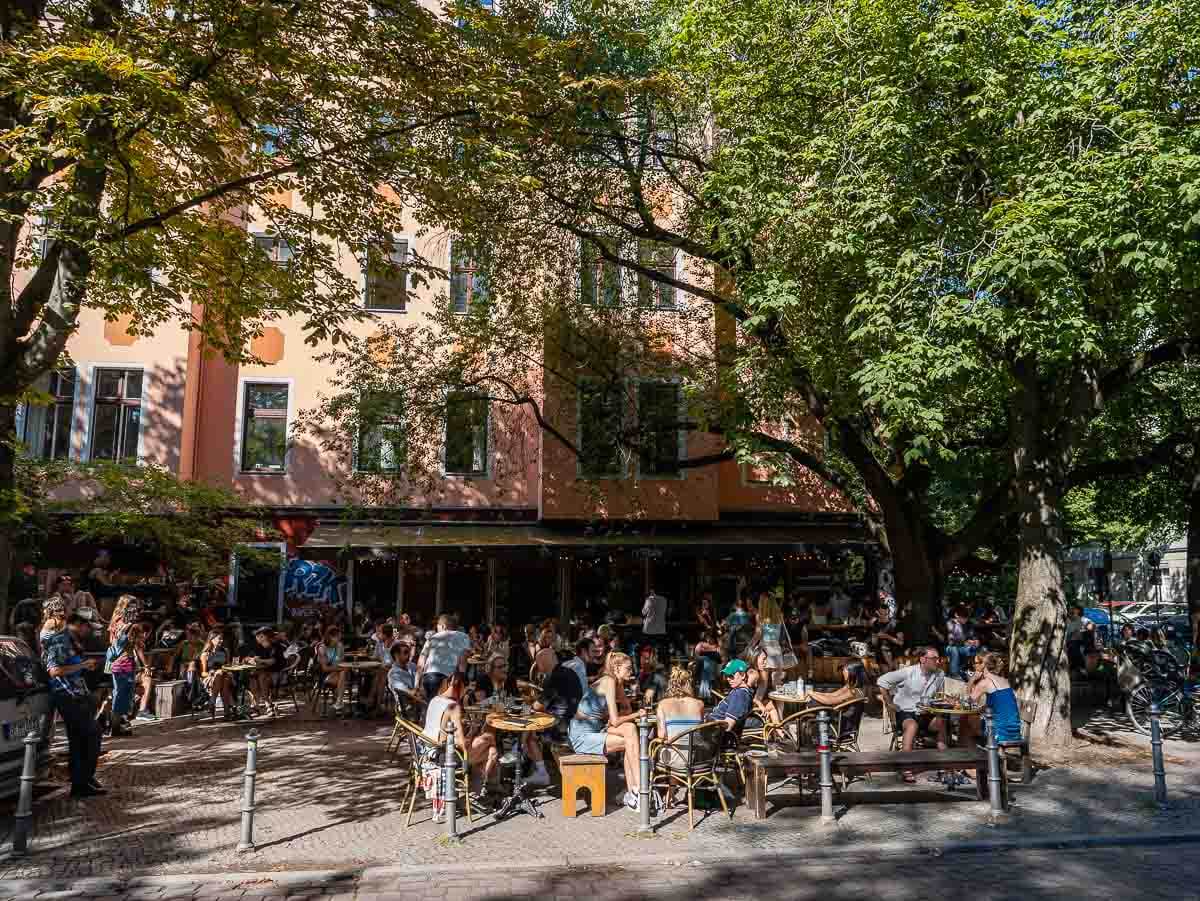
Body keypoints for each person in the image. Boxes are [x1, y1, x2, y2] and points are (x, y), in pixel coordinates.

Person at [40, 598, 104, 798]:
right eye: (88, 627)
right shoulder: (60, 640)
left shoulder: (73, 641)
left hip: (77, 695)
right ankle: (83, 779)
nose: (90, 632)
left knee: (79, 740)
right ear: (80, 624)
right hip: (67, 697)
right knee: (92, 734)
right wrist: (83, 666)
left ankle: (81, 782)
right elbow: (54, 671)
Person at [569, 651, 648, 812]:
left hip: (595, 729)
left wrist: (627, 705)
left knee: (631, 731)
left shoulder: (616, 683)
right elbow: (615, 720)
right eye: (628, 668)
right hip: (581, 735)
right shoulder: (609, 682)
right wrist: (637, 714)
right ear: (616, 668)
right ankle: (639, 790)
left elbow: (625, 709)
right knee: (630, 737)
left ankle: (635, 792)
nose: (631, 671)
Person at [420, 672, 500, 820]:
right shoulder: (453, 706)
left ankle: (476, 791)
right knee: (490, 742)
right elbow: (462, 744)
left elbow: (446, 734)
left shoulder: (434, 701)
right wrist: (473, 733)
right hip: (447, 758)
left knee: (490, 750)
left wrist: (470, 733)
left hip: (429, 753)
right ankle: (480, 790)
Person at [876, 647, 947, 781]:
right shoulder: (908, 672)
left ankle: (945, 764)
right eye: (934, 659)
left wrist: (936, 705)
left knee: (940, 722)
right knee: (912, 726)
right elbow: (882, 681)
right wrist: (890, 703)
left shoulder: (940, 674)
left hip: (925, 712)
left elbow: (940, 696)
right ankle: (906, 766)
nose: (938, 661)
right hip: (905, 712)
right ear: (923, 659)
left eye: (939, 658)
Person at [106, 595, 141, 736]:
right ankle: (117, 726)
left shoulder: (114, 621)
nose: (137, 610)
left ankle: (119, 724)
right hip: (125, 662)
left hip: (114, 661)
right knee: (123, 694)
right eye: (134, 606)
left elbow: (111, 642)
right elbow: (135, 645)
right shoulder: (129, 625)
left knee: (118, 693)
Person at [416, 614, 472, 700]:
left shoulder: (432, 638)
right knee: (443, 709)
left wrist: (416, 684)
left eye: (437, 626)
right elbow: (463, 661)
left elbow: (421, 661)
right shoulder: (463, 636)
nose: (436, 629)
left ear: (443, 626)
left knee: (431, 707)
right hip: (446, 679)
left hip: (427, 677)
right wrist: (461, 680)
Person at [704, 659, 756, 736]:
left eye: (731, 675)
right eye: (727, 675)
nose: (728, 679)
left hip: (713, 736)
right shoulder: (741, 692)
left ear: (743, 675)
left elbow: (728, 725)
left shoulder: (740, 695)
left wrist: (706, 722)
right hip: (711, 727)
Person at [655, 666, 704, 741]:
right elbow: (700, 731)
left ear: (671, 684)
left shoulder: (662, 704)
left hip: (674, 750)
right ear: (689, 684)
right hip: (696, 751)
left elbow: (662, 735)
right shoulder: (699, 704)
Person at [199, 628, 236, 719]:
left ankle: (212, 702)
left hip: (225, 675)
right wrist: (211, 673)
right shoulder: (205, 654)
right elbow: (203, 673)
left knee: (224, 677)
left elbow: (228, 666)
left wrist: (228, 670)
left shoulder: (225, 651)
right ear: (212, 639)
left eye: (222, 638)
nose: (221, 641)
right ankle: (227, 711)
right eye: (219, 639)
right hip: (210, 678)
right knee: (221, 677)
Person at [315, 624, 349, 711]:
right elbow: (325, 668)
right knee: (343, 674)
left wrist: (340, 667)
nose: (339, 639)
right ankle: (339, 701)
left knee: (343, 674)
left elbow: (341, 662)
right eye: (337, 637)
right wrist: (339, 668)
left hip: (338, 672)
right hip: (326, 676)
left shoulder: (339, 646)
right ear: (330, 637)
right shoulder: (322, 648)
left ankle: (338, 702)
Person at [942, 607, 979, 679]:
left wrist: (975, 641)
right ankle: (954, 674)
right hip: (950, 647)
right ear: (956, 615)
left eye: (966, 618)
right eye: (964, 617)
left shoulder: (968, 625)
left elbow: (972, 635)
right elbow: (951, 639)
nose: (966, 619)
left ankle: (968, 670)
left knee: (972, 649)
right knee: (954, 650)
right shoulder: (950, 623)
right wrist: (965, 641)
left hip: (962, 647)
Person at [1065, 605, 1095, 673]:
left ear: (1078, 611)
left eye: (1073, 610)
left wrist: (1083, 630)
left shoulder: (1083, 620)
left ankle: (1081, 667)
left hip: (1080, 641)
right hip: (1070, 641)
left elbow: (1091, 626)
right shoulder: (1069, 621)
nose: (1071, 612)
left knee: (1074, 647)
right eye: (1071, 611)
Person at [723, 595, 753, 660]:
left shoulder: (732, 615)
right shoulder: (747, 615)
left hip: (735, 637)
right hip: (746, 637)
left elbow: (726, 625)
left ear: (735, 606)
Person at [641, 586, 668, 658]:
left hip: (649, 629)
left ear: (652, 591)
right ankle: (660, 662)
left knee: (643, 648)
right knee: (660, 648)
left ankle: (643, 664)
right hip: (661, 629)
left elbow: (643, 612)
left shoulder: (649, 599)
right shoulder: (664, 600)